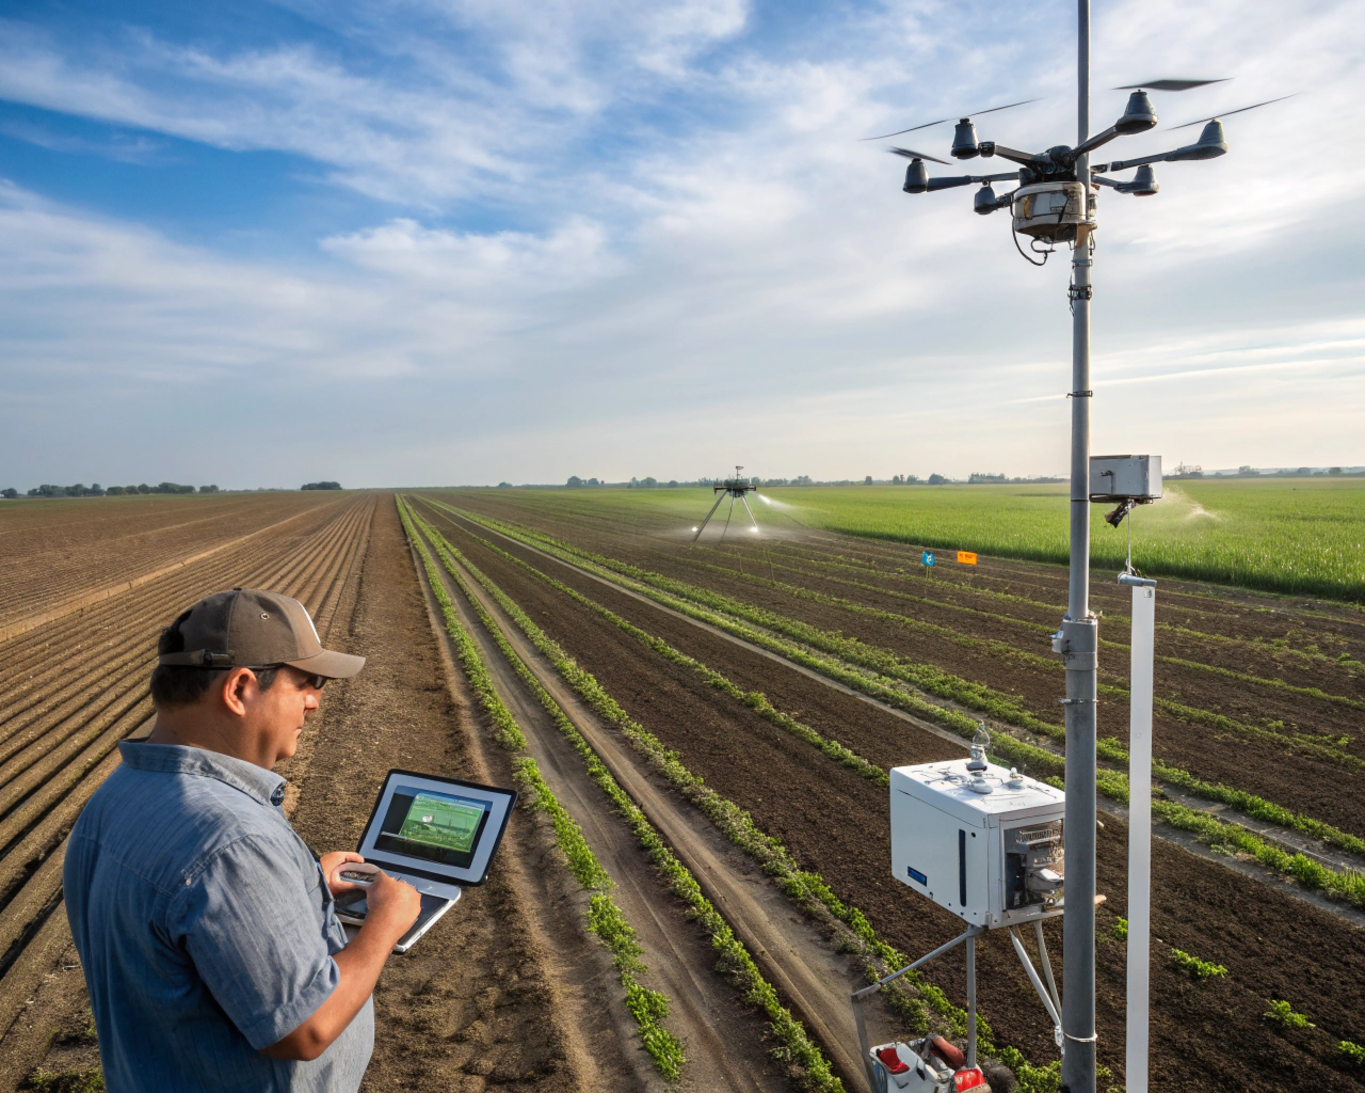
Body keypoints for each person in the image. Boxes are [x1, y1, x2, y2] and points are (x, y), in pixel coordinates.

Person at [64, 588, 422, 1092]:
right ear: (239, 690)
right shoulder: (232, 843)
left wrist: (286, 893)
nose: (315, 702)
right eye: (307, 683)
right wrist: (386, 923)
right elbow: (304, 1028)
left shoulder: (116, 797)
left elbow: (178, 924)